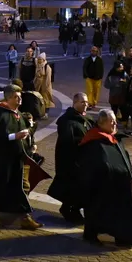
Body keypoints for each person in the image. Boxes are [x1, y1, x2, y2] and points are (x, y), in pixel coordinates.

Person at [0, 85, 44, 230]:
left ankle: (25, 217)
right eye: (16, 97)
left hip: (19, 157)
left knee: (21, 187)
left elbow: (26, 130)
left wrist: (30, 138)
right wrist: (13, 136)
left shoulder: (19, 114)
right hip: (2, 160)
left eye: (20, 97)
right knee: (1, 187)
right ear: (9, 98)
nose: (20, 100)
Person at [77, 109, 132, 247]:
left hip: (118, 184)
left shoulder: (113, 138)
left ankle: (121, 235)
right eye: (111, 121)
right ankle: (91, 234)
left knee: (118, 211)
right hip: (100, 185)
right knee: (97, 210)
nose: (114, 123)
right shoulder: (93, 140)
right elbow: (94, 164)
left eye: (115, 120)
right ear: (101, 123)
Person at [47, 93, 93, 224]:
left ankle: (74, 209)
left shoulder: (86, 118)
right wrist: (85, 140)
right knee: (72, 187)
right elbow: (68, 140)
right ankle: (68, 209)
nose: (85, 105)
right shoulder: (67, 121)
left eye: (86, 102)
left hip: (83, 159)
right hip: (70, 160)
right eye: (82, 102)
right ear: (75, 103)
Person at [33, 53, 54, 119]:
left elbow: (48, 79)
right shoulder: (37, 65)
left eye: (40, 59)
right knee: (38, 99)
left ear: (43, 59)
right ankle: (40, 112)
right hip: (37, 85)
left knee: (46, 99)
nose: (39, 60)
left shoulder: (47, 67)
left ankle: (46, 113)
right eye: (38, 59)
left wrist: (46, 87)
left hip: (45, 86)